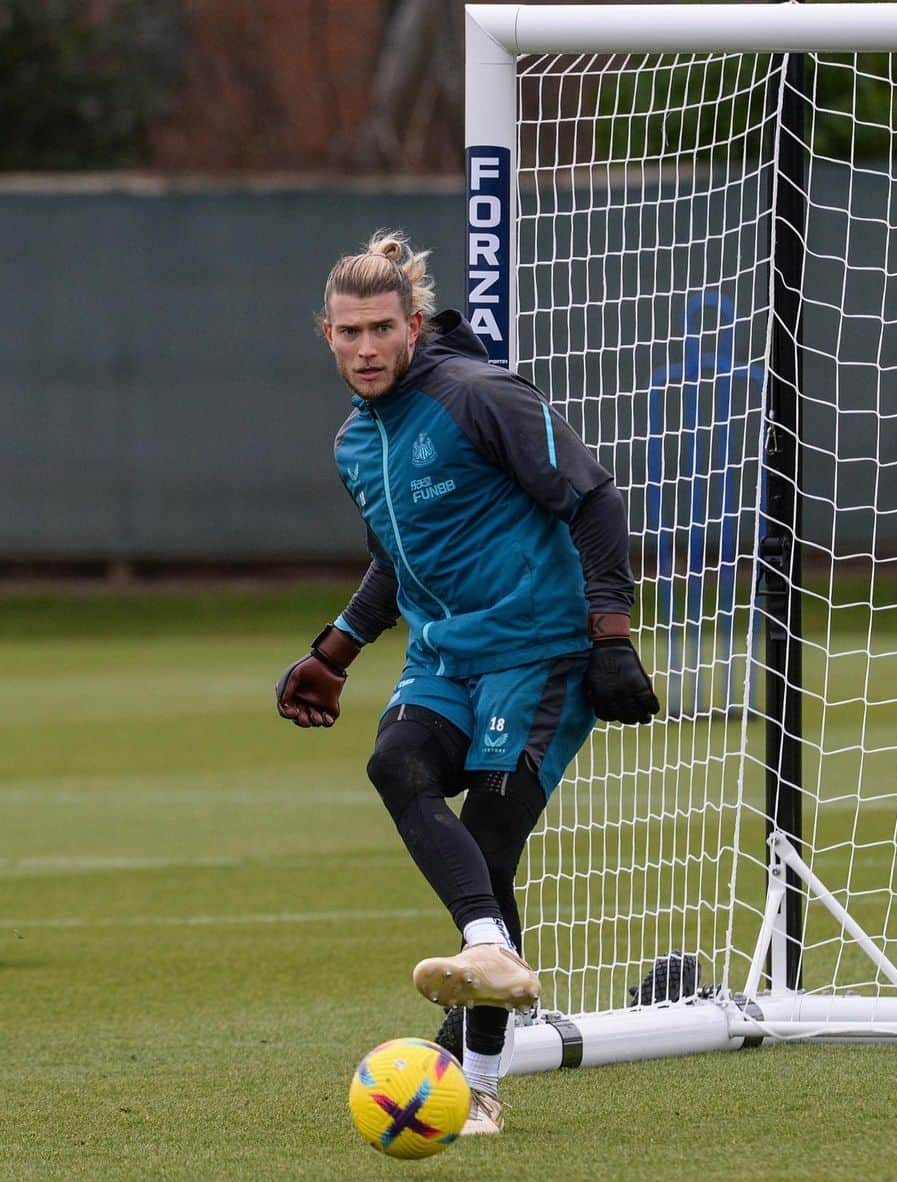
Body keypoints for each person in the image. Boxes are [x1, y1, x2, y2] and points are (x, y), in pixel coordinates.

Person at [276, 230, 659, 1134]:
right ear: (323, 336)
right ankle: (486, 949)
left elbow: (595, 499)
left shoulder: (479, 396)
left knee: (488, 843)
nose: (365, 348)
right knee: (395, 762)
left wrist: (610, 636)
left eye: (380, 328)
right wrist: (335, 650)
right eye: (347, 333)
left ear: (413, 324)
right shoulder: (353, 446)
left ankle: (480, 1087)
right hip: (444, 657)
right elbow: (399, 561)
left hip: (541, 655)